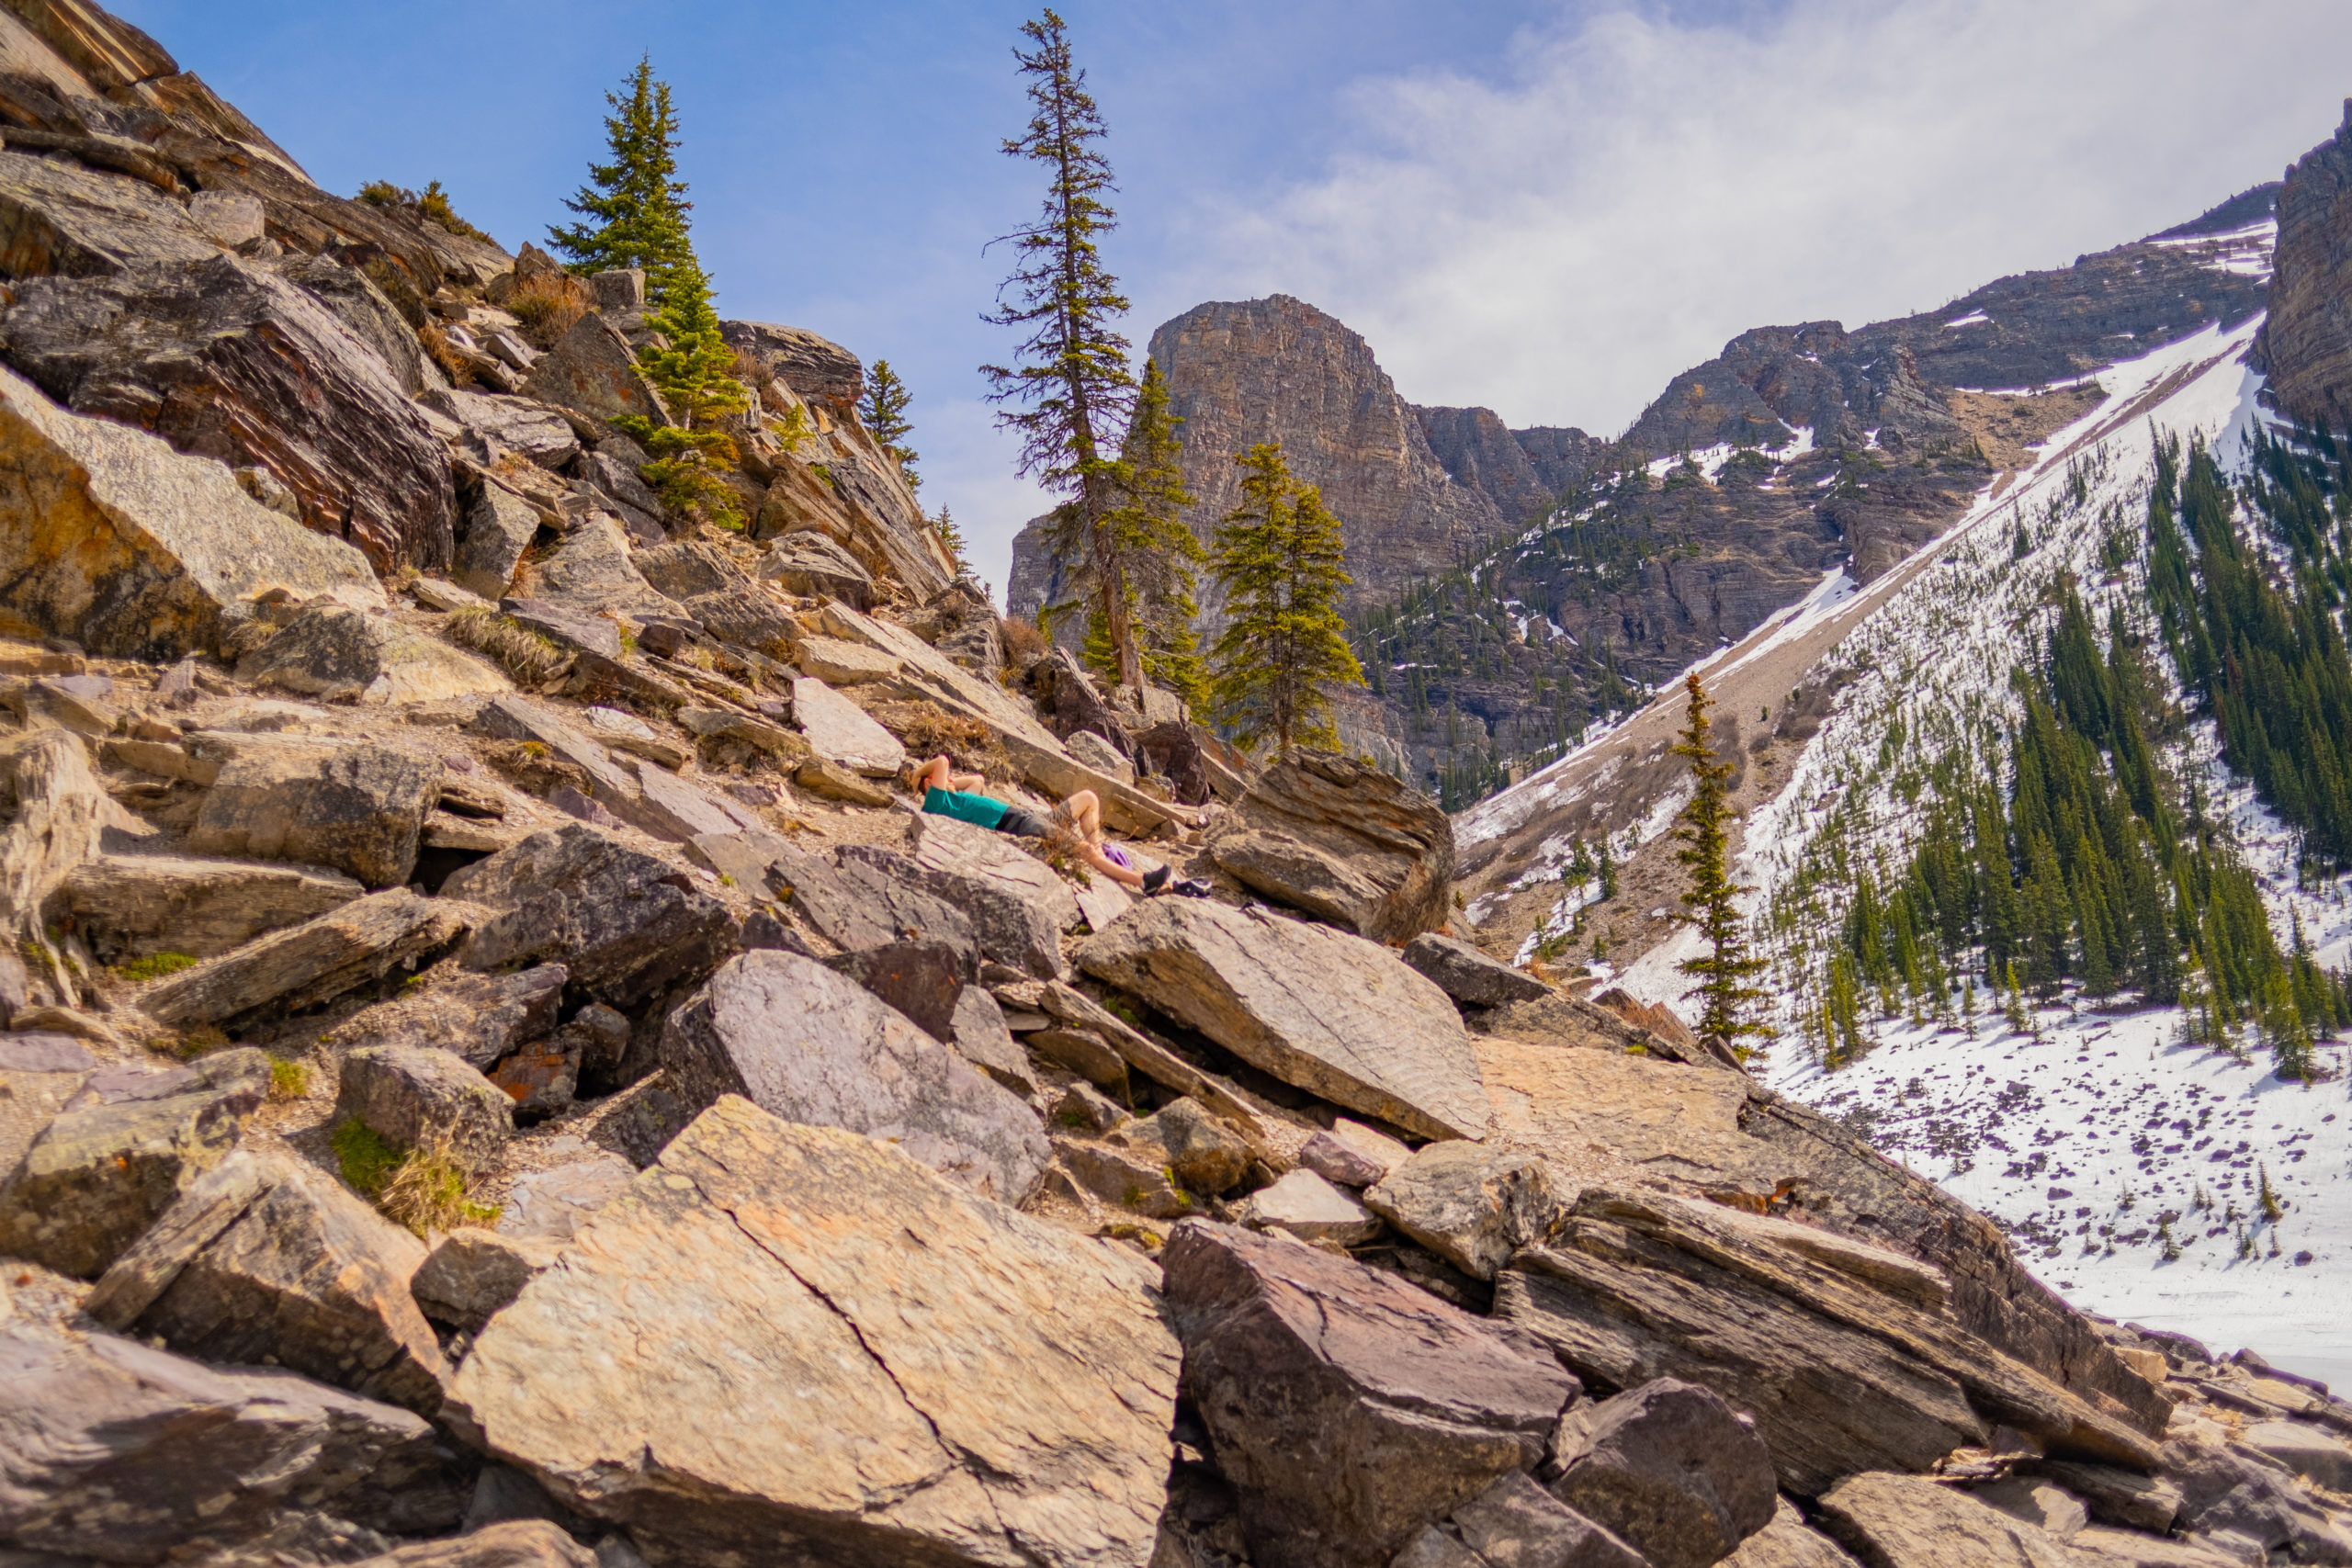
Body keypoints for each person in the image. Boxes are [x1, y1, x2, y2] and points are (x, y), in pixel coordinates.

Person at [910, 755, 1172, 894]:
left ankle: (1103, 857)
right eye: (943, 778)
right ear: (931, 784)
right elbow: (942, 761)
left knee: (1088, 799)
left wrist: (950, 784)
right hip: (1021, 826)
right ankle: (1141, 881)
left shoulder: (955, 801)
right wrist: (918, 776)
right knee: (1084, 851)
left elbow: (976, 780)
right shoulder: (936, 803)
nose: (951, 777)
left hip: (1032, 817)